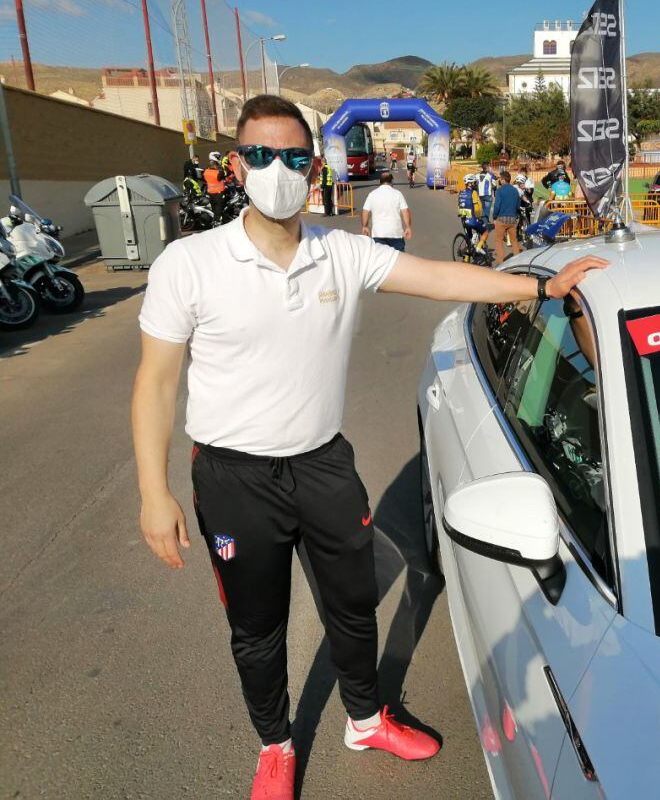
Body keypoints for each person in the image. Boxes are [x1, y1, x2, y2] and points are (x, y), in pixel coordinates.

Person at [132, 94, 608, 800]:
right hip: (234, 477)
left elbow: (439, 277)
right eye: (261, 156)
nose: (279, 171)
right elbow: (156, 379)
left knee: (352, 606)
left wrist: (536, 288)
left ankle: (364, 714)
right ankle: (275, 744)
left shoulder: (340, 252)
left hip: (325, 464)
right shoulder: (190, 263)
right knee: (256, 629)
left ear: (312, 164)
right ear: (237, 166)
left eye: (294, 157)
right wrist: (153, 491)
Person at [361, 171, 412, 250]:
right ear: (391, 181)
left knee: (380, 260)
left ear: (380, 182)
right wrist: (408, 227)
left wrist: (365, 226)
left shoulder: (372, 194)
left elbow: (365, 211)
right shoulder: (397, 194)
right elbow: (405, 211)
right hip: (395, 234)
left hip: (378, 234)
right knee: (398, 260)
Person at [491, 171, 522, 266]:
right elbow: (518, 205)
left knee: (499, 241)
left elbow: (497, 206)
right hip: (512, 219)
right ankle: (518, 261)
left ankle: (500, 262)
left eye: (500, 179)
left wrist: (494, 217)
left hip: (501, 219)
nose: (499, 180)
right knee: (514, 240)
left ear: (503, 179)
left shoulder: (499, 191)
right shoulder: (515, 190)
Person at [457, 174, 490, 256]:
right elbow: (476, 208)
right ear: (470, 183)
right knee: (485, 232)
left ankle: (466, 259)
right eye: (474, 182)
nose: (476, 184)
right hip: (472, 219)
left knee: (469, 239)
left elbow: (459, 206)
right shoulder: (473, 193)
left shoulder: (461, 193)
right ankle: (479, 246)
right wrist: (479, 217)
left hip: (464, 220)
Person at [203, 153, 226, 224]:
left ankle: (215, 221)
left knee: (214, 208)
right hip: (218, 192)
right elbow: (222, 175)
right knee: (219, 208)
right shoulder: (219, 170)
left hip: (210, 192)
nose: (220, 159)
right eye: (218, 158)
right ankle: (218, 221)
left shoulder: (206, 170)